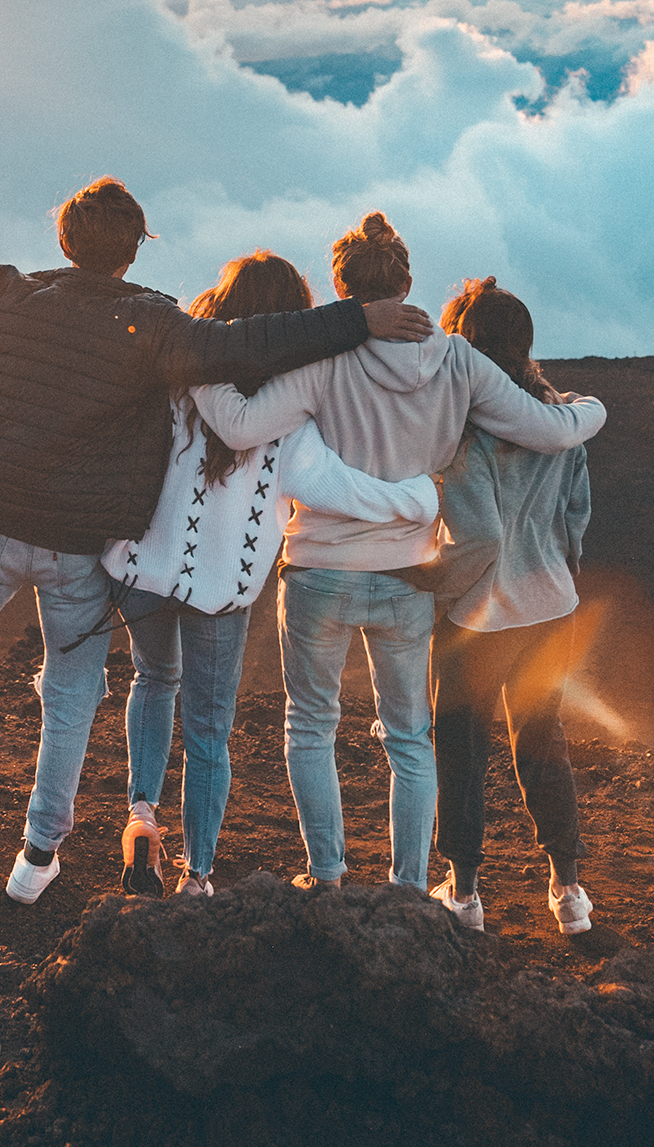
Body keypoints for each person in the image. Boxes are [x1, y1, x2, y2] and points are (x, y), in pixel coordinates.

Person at [0, 178, 432, 901]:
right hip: (78, 548)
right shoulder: (155, 326)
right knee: (72, 695)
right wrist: (360, 320)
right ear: (134, 248)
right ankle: (38, 859)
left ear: (65, 239)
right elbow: (253, 339)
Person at [191, 213, 606, 896]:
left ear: (341, 285)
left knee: (312, 727)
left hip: (320, 570)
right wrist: (594, 411)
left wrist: (194, 357)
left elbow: (240, 424)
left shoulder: (320, 362)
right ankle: (411, 888)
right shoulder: (458, 361)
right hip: (407, 578)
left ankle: (327, 876)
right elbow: (546, 428)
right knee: (411, 740)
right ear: (407, 281)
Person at [100, 250, 443, 898]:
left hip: (142, 570)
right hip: (222, 591)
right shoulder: (286, 415)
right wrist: (421, 500)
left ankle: (142, 812)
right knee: (208, 733)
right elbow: (337, 488)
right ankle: (197, 875)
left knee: (153, 679)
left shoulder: (176, 379)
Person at [404, 276, 595, 935]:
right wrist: (556, 576)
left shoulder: (467, 431)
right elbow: (576, 516)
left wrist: (425, 580)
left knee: (460, 749)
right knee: (543, 744)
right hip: (552, 608)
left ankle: (464, 895)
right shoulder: (561, 415)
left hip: (481, 618)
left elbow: (479, 537)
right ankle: (568, 893)